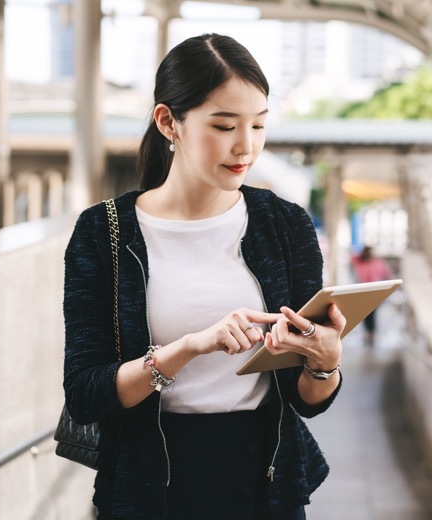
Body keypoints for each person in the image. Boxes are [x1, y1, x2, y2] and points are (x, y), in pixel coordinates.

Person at [63, 33, 346, 519]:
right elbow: (86, 393)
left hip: (264, 483)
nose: (246, 146)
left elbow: (308, 401)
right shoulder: (103, 231)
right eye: (224, 125)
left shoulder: (284, 225)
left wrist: (325, 362)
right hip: (150, 482)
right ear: (168, 121)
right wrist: (189, 348)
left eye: (258, 125)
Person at [350, 246, 393, 346]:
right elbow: (352, 257)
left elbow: (387, 275)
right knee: (366, 314)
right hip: (363, 292)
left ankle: (371, 334)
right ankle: (370, 333)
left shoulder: (378, 262)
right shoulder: (360, 262)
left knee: (371, 313)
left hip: (376, 292)